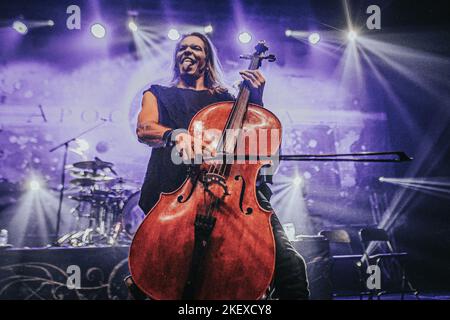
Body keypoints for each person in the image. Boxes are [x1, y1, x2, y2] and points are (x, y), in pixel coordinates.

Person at [130, 32, 309, 300]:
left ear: (207, 57)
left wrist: (255, 99)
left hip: (232, 197)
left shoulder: (226, 98)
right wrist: (176, 134)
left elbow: (258, 143)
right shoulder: (158, 93)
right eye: (183, 48)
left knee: (290, 267)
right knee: (164, 275)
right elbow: (145, 129)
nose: (188, 52)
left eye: (196, 48)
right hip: (179, 196)